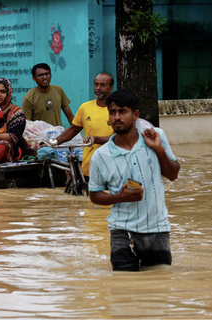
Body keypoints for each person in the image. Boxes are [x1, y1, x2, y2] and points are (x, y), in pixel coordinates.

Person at [88, 88, 180, 271]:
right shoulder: (100, 156)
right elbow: (94, 195)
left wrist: (159, 150)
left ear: (135, 114)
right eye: (112, 112)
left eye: (122, 111)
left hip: (157, 228)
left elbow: (173, 174)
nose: (116, 117)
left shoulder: (156, 137)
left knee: (159, 285)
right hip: (121, 230)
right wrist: (119, 197)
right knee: (123, 288)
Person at [54, 72, 115, 178]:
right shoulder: (85, 107)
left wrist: (96, 139)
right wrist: (54, 142)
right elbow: (73, 129)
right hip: (88, 167)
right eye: (96, 84)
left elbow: (120, 138)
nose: (98, 88)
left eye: (103, 85)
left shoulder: (117, 110)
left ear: (110, 88)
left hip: (112, 168)